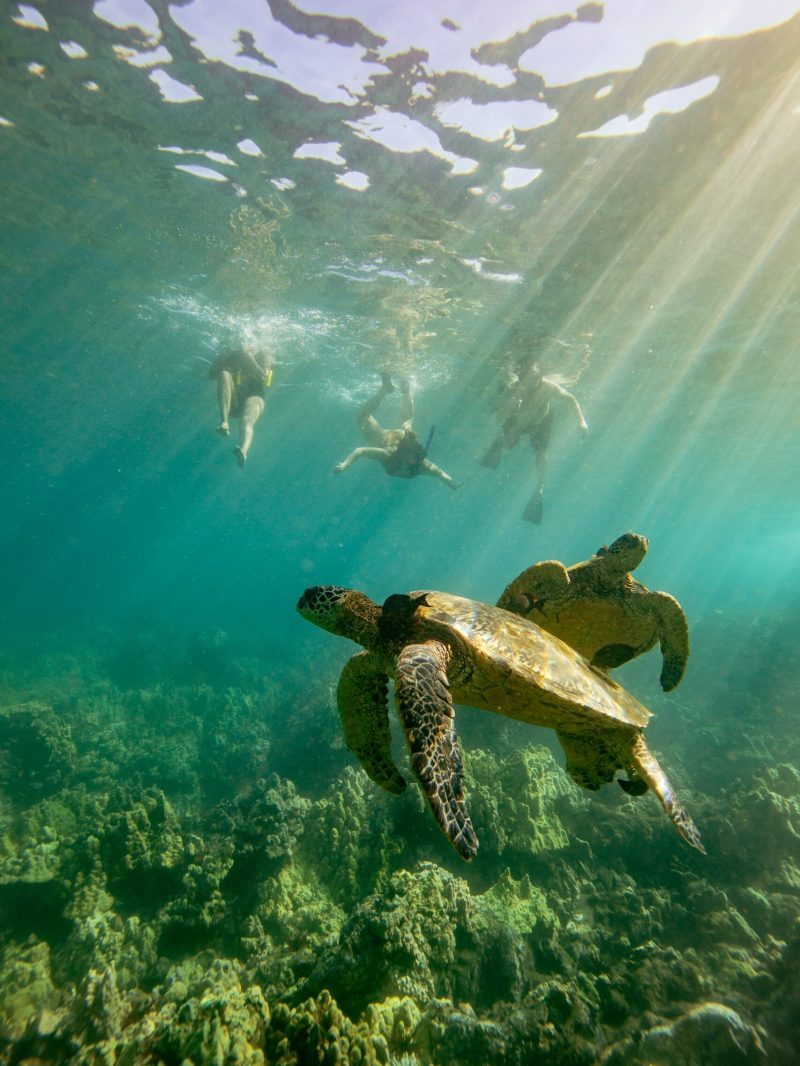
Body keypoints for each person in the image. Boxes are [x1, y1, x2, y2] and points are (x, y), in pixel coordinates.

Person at [481, 359, 588, 523]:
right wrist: (511, 404)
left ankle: (538, 490)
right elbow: (499, 417)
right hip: (519, 421)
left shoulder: (549, 387)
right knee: (509, 442)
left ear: (540, 375)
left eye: (535, 376)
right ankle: (501, 442)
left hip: (541, 421)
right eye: (527, 377)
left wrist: (581, 421)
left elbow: (570, 399)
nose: (531, 381)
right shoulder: (513, 389)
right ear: (521, 377)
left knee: (541, 453)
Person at [333, 373, 460, 489]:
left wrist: (452, 483)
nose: (412, 460)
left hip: (394, 439)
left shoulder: (421, 465)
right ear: (402, 453)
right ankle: (403, 388)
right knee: (405, 424)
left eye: (414, 458)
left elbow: (440, 474)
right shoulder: (390, 455)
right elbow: (359, 451)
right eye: (410, 457)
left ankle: (390, 388)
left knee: (365, 417)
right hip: (389, 439)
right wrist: (344, 465)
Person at [208, 343, 274, 467]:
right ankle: (224, 422)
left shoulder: (264, 354)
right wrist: (224, 358)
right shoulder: (233, 353)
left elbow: (263, 376)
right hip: (234, 399)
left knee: (246, 420)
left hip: (255, 396)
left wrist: (248, 356)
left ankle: (243, 451)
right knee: (223, 374)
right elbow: (212, 374)